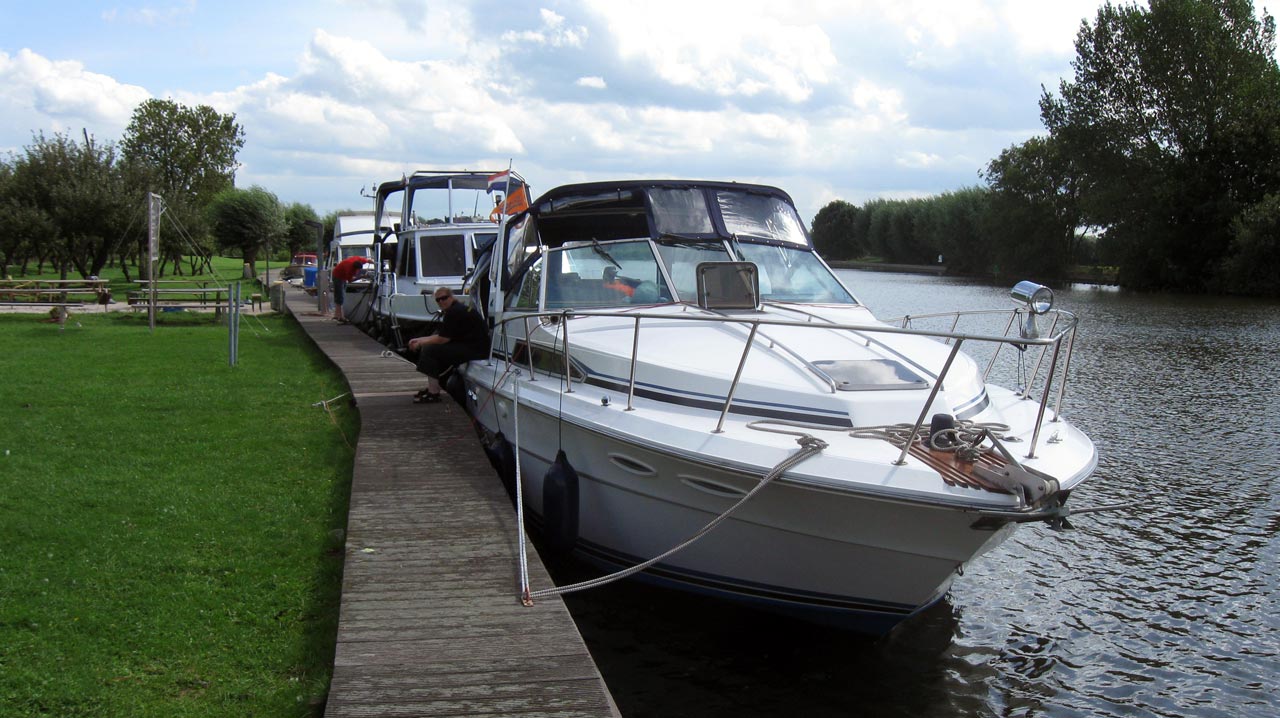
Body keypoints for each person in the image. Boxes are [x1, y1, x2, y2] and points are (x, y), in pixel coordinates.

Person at [407, 287, 489, 403]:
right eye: (438, 300)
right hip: (474, 347)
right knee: (431, 347)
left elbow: (442, 339)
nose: (441, 301)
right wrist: (419, 339)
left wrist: (421, 342)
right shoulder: (457, 309)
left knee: (430, 350)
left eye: (444, 298)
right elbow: (444, 335)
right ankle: (433, 387)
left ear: (451, 297)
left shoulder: (454, 312)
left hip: (475, 350)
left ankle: (433, 392)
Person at [331, 255, 371, 322]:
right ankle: (341, 316)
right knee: (340, 296)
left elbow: (368, 260)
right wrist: (361, 277)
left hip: (343, 276)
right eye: (357, 269)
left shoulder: (359, 259)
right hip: (338, 276)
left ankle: (336, 315)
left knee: (340, 295)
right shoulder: (349, 269)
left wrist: (373, 262)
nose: (358, 271)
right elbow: (350, 280)